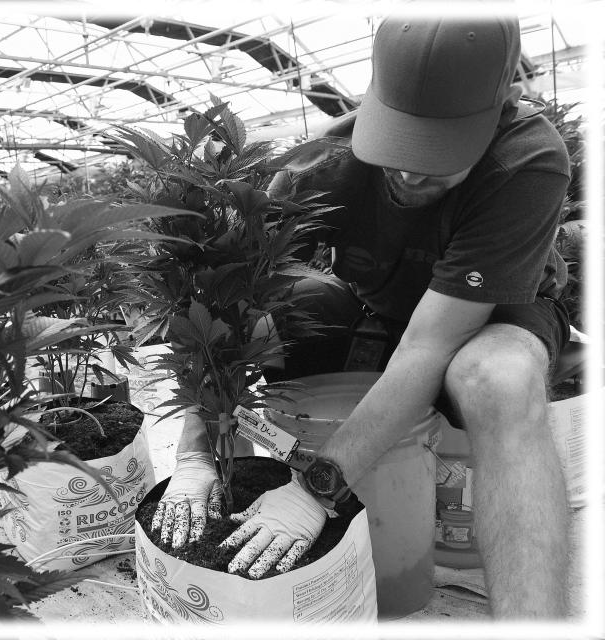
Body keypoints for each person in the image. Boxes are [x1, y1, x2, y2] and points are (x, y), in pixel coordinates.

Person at [149, 12, 571, 619]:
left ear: (500, 105)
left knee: (494, 378)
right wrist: (194, 449)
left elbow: (431, 344)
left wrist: (314, 489)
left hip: (495, 316)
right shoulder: (320, 164)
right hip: (390, 306)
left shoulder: (527, 160)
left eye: (439, 154)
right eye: (398, 143)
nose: (408, 170)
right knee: (285, 298)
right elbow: (226, 303)